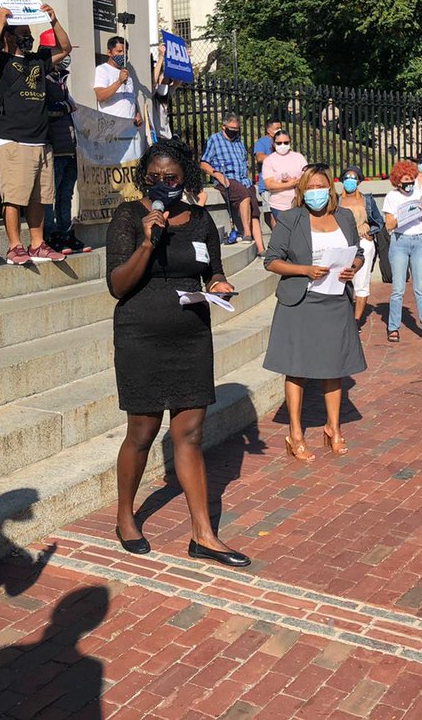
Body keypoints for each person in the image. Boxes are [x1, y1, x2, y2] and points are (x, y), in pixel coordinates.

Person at [106, 139, 248, 567]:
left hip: (191, 337)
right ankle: (125, 517)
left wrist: (220, 284)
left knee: (189, 434)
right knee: (143, 433)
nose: (162, 184)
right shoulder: (129, 217)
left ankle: (203, 534)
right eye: (154, 178)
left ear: (184, 176)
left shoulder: (203, 220)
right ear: (143, 178)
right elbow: (118, 285)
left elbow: (213, 269)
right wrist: (149, 242)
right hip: (141, 337)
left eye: (171, 178)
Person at [263, 165, 367, 460]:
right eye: (310, 188)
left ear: (330, 189)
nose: (316, 192)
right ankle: (295, 433)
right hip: (301, 303)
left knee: (335, 370)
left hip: (336, 302)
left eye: (321, 186)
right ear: (301, 191)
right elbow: (271, 261)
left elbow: (357, 252)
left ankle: (333, 428)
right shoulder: (291, 219)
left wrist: (354, 267)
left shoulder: (345, 217)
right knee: (297, 369)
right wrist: (304, 270)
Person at [0, 4, 71, 265]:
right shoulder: (1, 62)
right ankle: (15, 246)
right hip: (13, 139)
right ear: (10, 36)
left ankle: (38, 244)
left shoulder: (37, 60)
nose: (27, 37)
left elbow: (65, 49)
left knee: (39, 197)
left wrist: (53, 20)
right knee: (14, 196)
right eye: (22, 32)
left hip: (40, 139)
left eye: (29, 31)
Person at [41, 33, 89, 255]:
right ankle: (50, 234)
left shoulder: (61, 79)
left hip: (70, 146)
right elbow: (42, 110)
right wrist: (64, 107)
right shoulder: (43, 78)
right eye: (62, 51)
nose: (66, 56)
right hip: (54, 146)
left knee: (66, 193)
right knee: (51, 193)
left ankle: (66, 231)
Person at [383, 160, 422, 344]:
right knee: (398, 288)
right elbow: (389, 225)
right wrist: (406, 215)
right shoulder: (392, 196)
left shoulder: (421, 194)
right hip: (400, 240)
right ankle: (393, 326)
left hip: (419, 240)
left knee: (420, 289)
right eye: (405, 180)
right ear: (398, 181)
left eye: (411, 179)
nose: (409, 183)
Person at [201, 114, 264, 252]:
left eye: (237, 129)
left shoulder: (238, 142)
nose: (234, 131)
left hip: (244, 180)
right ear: (224, 127)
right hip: (227, 179)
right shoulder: (215, 140)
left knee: (254, 211)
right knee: (243, 195)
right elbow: (204, 163)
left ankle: (261, 248)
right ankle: (247, 233)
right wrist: (217, 174)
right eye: (231, 128)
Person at [338, 165, 383, 325]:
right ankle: (343, 316)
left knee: (361, 282)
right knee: (341, 280)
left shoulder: (367, 199)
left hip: (363, 243)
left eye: (354, 178)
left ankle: (356, 320)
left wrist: (371, 233)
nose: (350, 181)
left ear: (359, 181)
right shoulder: (336, 200)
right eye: (347, 178)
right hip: (341, 243)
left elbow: (379, 221)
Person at [94, 36, 144, 129]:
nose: (123, 55)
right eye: (119, 51)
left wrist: (136, 113)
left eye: (125, 52)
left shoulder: (127, 74)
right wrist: (119, 82)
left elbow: (130, 96)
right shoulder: (103, 70)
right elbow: (100, 96)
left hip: (129, 128)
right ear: (109, 52)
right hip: (112, 128)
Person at [259, 128, 307, 222]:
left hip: (300, 202)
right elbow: (269, 185)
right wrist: (291, 184)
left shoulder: (298, 157)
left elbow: (308, 177)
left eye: (286, 142)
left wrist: (294, 182)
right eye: (279, 143)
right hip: (279, 205)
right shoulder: (269, 161)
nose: (283, 145)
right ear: (273, 143)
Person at [252, 119, 282, 229]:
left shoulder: (281, 142)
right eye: (277, 128)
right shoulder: (262, 142)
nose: (279, 130)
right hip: (268, 186)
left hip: (281, 184)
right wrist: (276, 159)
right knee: (273, 215)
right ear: (269, 130)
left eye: (280, 127)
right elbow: (259, 157)